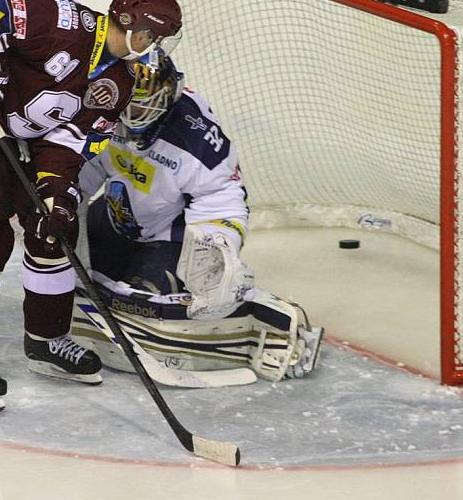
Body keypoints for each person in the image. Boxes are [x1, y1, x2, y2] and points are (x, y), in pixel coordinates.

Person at [0, 0, 182, 411]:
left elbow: (68, 141)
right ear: (128, 21)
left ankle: (46, 341)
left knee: (53, 229)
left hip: (20, 138)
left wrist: (57, 193)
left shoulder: (118, 81)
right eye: (151, 34)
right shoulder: (63, 22)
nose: (154, 45)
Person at [74, 56, 323, 382]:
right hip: (117, 216)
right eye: (124, 105)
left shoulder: (195, 134)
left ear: (165, 98)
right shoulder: (105, 107)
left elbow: (223, 198)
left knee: (154, 298)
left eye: (139, 108)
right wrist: (63, 197)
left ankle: (255, 316)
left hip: (169, 234)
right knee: (72, 268)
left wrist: (216, 245)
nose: (128, 117)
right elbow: (87, 163)